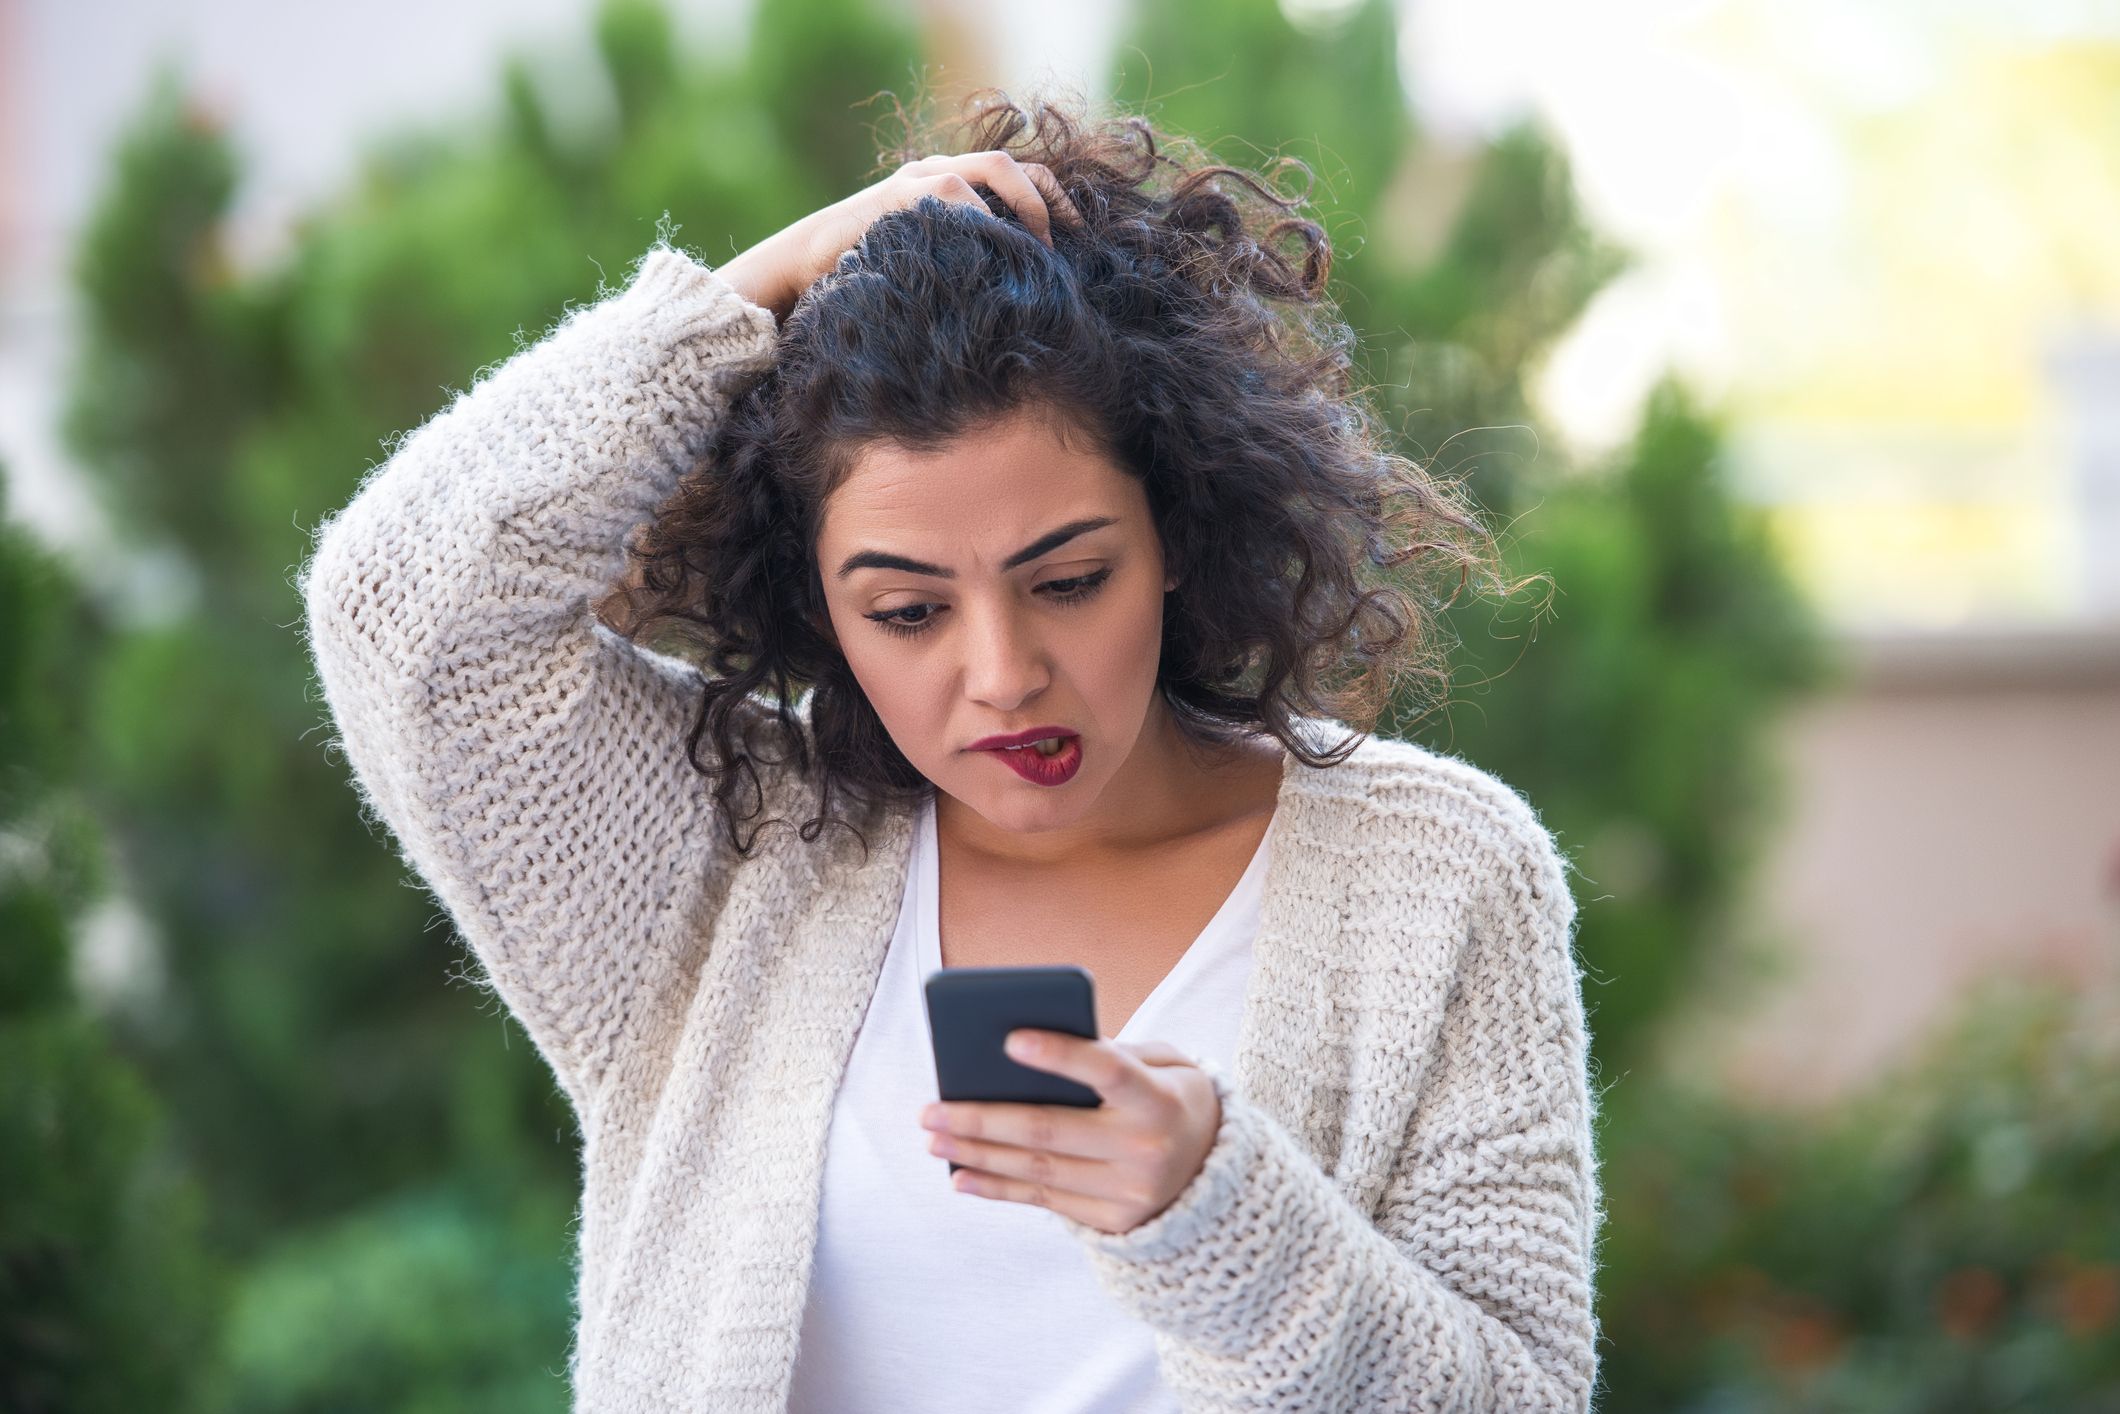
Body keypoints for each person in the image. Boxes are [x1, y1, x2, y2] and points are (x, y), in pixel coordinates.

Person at [299, 86, 1602, 1414]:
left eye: (1070, 578)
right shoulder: (728, 857)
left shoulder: (1437, 878)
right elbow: (407, 613)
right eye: (909, 610)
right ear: (819, 603)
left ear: (1175, 533)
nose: (1002, 673)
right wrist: (750, 295)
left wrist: (1222, 1221)